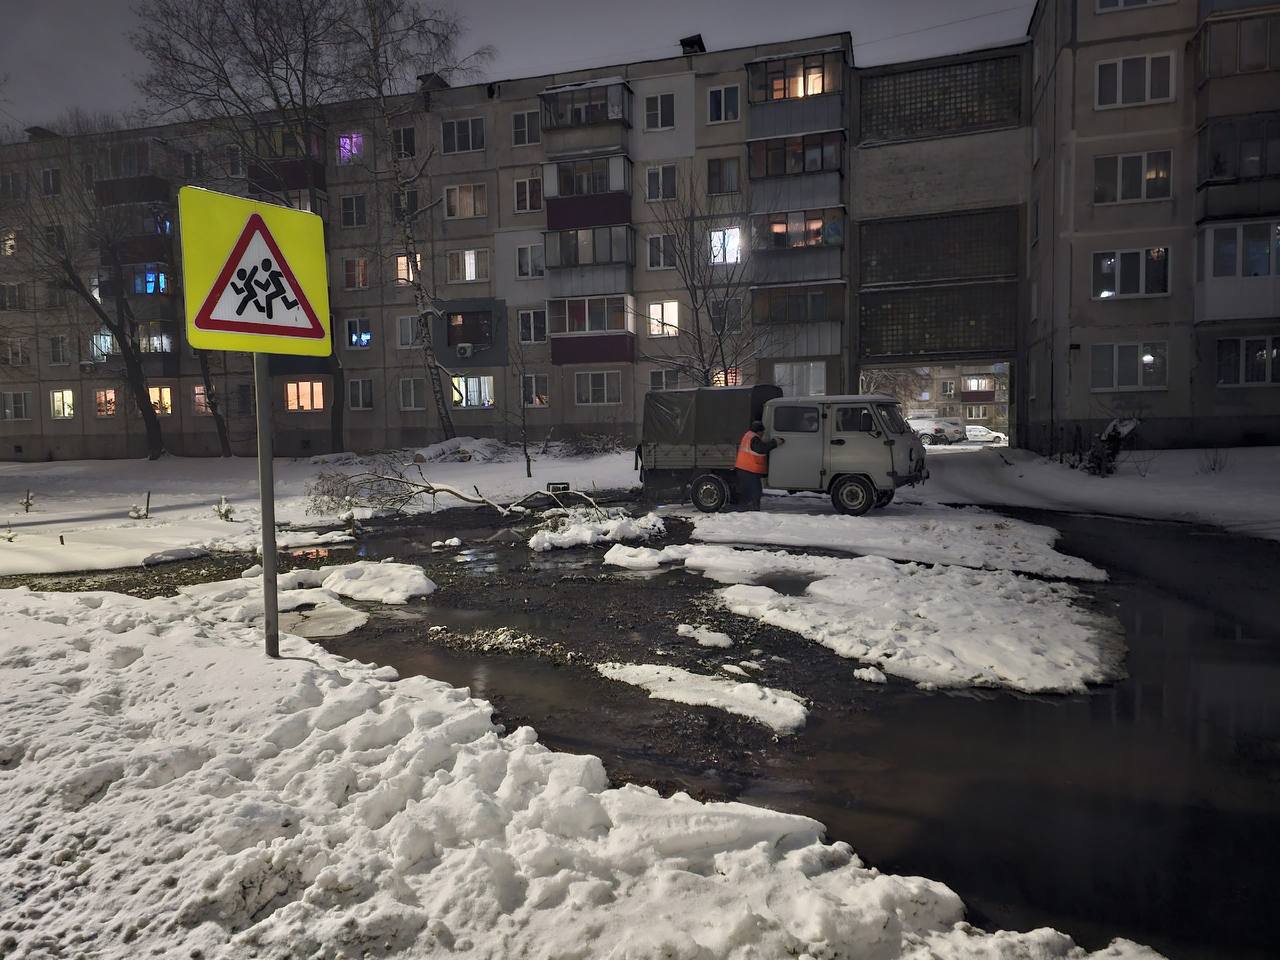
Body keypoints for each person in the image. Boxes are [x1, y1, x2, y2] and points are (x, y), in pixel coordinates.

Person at [734, 420, 784, 511]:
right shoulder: (754, 438)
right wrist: (775, 442)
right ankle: (753, 510)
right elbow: (761, 449)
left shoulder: (749, 435)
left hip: (744, 468)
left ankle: (745, 510)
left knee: (747, 492)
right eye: (763, 432)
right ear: (759, 431)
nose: (763, 433)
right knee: (756, 492)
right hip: (749, 469)